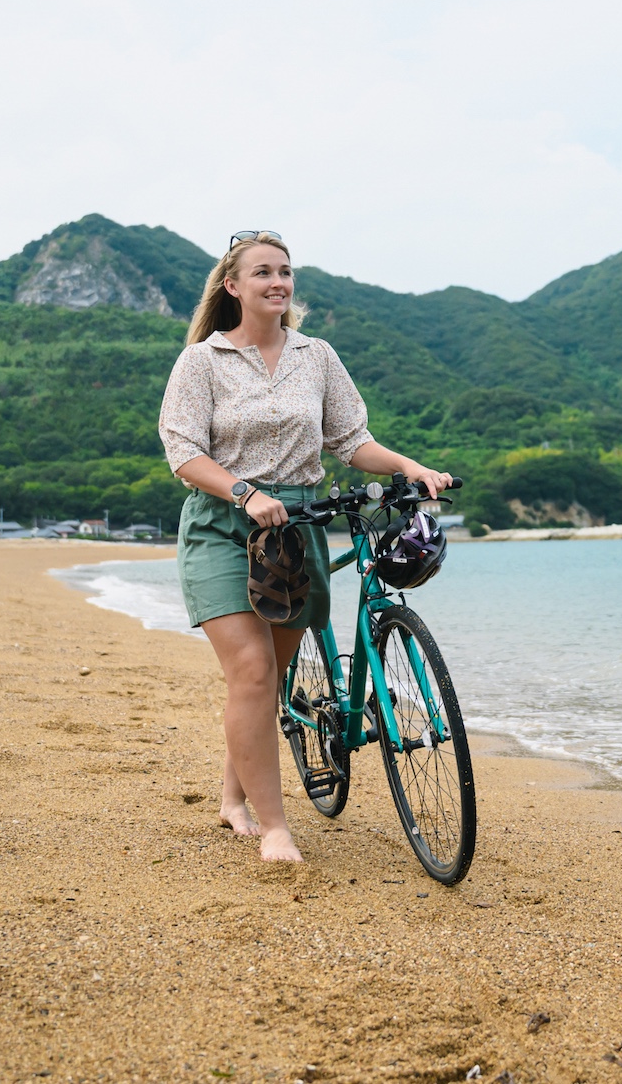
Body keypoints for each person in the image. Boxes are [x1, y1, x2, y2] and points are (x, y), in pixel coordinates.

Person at [158, 230, 453, 862]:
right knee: (254, 671)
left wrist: (410, 467)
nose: (278, 282)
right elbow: (183, 452)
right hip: (222, 525)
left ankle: (231, 796)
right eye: (262, 271)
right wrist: (242, 492)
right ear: (232, 286)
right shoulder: (201, 362)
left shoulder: (316, 356)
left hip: (299, 524)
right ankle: (274, 828)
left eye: (285, 272)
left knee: (270, 676)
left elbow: (352, 441)